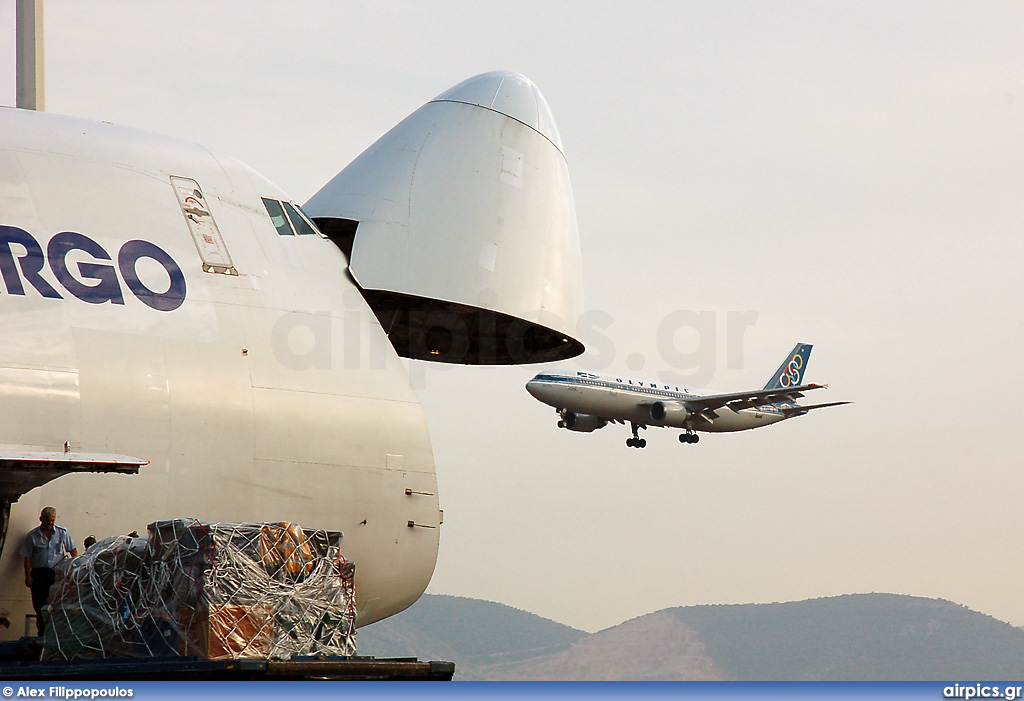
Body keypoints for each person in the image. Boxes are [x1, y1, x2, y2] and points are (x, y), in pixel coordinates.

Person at [20, 507, 77, 636]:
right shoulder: (33, 536)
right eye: (47, 521)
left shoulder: (62, 532)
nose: (50, 524)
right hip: (39, 574)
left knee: (56, 603)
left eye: (52, 521)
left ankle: (57, 633)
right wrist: (28, 576)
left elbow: (72, 549)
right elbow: (27, 557)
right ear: (41, 519)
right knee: (39, 605)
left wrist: (75, 567)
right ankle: (43, 633)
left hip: (56, 573)